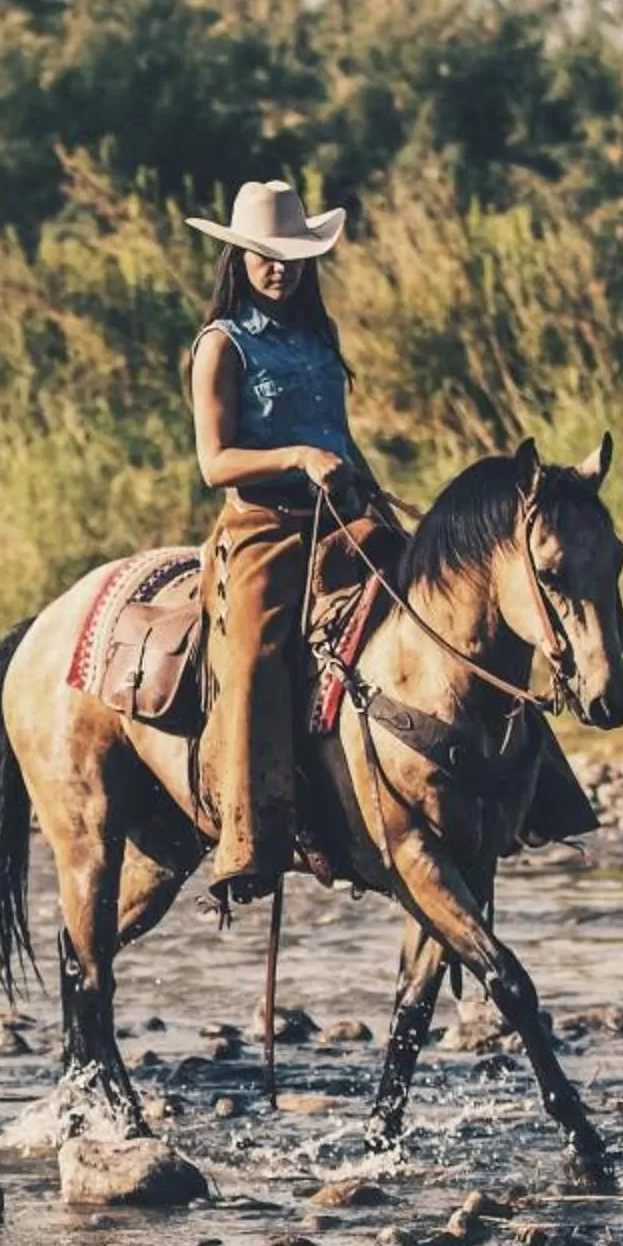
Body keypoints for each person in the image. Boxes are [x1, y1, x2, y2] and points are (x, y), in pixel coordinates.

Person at [184, 180, 398, 905]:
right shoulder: (222, 346)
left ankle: (524, 797)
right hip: (264, 530)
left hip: (344, 516)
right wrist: (296, 458)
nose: (280, 268)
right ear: (238, 256)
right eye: (264, 256)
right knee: (252, 660)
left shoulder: (320, 340)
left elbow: (339, 436)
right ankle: (249, 841)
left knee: (445, 599)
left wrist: (367, 484)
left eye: (292, 257)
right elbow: (216, 463)